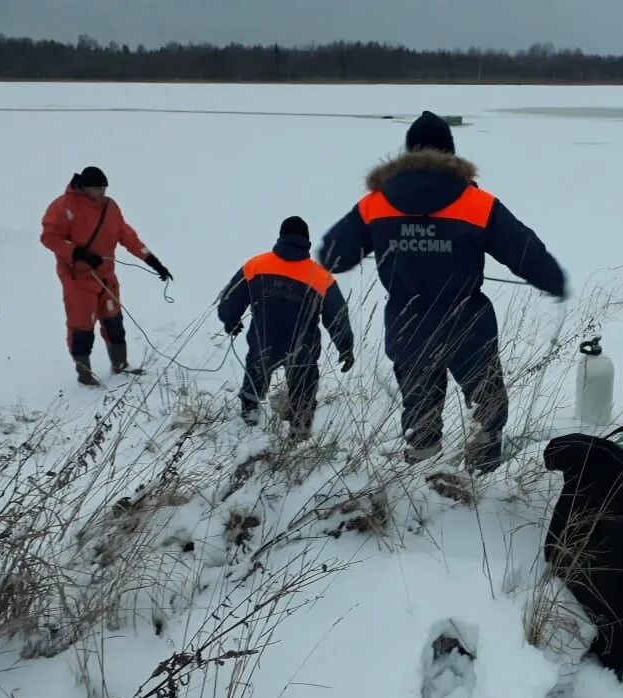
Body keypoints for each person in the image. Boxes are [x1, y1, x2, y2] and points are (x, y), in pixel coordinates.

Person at [317, 110, 567, 473]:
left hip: (407, 325)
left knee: (420, 412)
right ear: (450, 154)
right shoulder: (476, 203)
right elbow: (526, 252)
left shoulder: (376, 203)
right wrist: (553, 281)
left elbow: (333, 255)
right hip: (467, 324)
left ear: (407, 154)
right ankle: (480, 477)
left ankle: (422, 479)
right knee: (488, 404)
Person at [217, 216, 355, 440]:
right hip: (302, 347)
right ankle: (299, 429)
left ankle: (249, 414)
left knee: (256, 369)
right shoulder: (321, 277)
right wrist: (346, 348)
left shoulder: (256, 265)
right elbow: (338, 317)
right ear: (307, 241)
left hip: (264, 340)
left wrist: (230, 321)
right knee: (304, 383)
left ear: (281, 237)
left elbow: (230, 299)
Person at [40, 165, 173, 385]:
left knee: (114, 321)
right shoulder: (63, 206)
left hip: (106, 276)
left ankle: (120, 364)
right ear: (84, 188)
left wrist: (153, 262)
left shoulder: (110, 207)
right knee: (82, 326)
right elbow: (48, 237)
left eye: (104, 188)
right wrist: (77, 252)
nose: (102, 193)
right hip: (78, 279)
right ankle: (84, 375)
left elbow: (127, 236)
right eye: (98, 189)